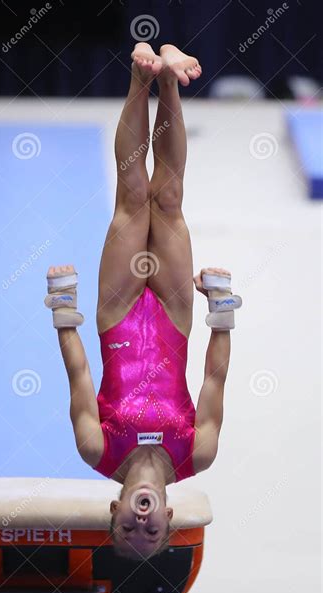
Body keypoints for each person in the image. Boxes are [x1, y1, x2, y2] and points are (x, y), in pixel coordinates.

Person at [44, 43, 242, 560]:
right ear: (169, 518)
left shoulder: (97, 450)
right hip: (176, 317)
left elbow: (80, 376)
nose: (141, 524)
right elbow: (214, 379)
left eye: (127, 531)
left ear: (115, 513)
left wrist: (63, 309)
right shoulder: (196, 455)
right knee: (170, 198)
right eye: (152, 533)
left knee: (133, 196)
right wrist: (221, 310)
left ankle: (139, 77)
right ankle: (171, 82)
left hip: (116, 313)